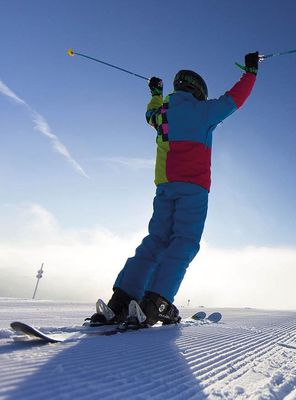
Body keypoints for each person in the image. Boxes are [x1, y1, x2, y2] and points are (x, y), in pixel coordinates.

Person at [89, 52, 260, 327]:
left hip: (165, 189)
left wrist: (155, 92)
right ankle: (157, 302)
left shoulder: (162, 115)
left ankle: (121, 299)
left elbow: (149, 114)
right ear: (198, 91)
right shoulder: (204, 112)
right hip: (193, 189)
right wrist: (250, 72)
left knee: (155, 241)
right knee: (183, 242)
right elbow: (234, 99)